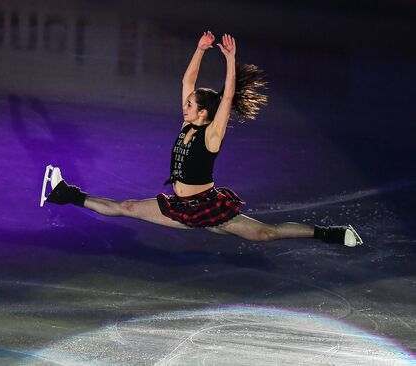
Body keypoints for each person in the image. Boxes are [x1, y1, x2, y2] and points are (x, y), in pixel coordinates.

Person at [39, 31, 362, 247]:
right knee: (128, 207)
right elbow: (187, 80)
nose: (185, 107)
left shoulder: (212, 134)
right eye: (186, 103)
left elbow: (228, 97)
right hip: (181, 207)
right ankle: (64, 194)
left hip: (207, 207)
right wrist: (199, 49)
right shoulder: (187, 125)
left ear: (205, 113)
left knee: (265, 233)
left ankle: (329, 233)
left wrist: (229, 59)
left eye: (191, 105)